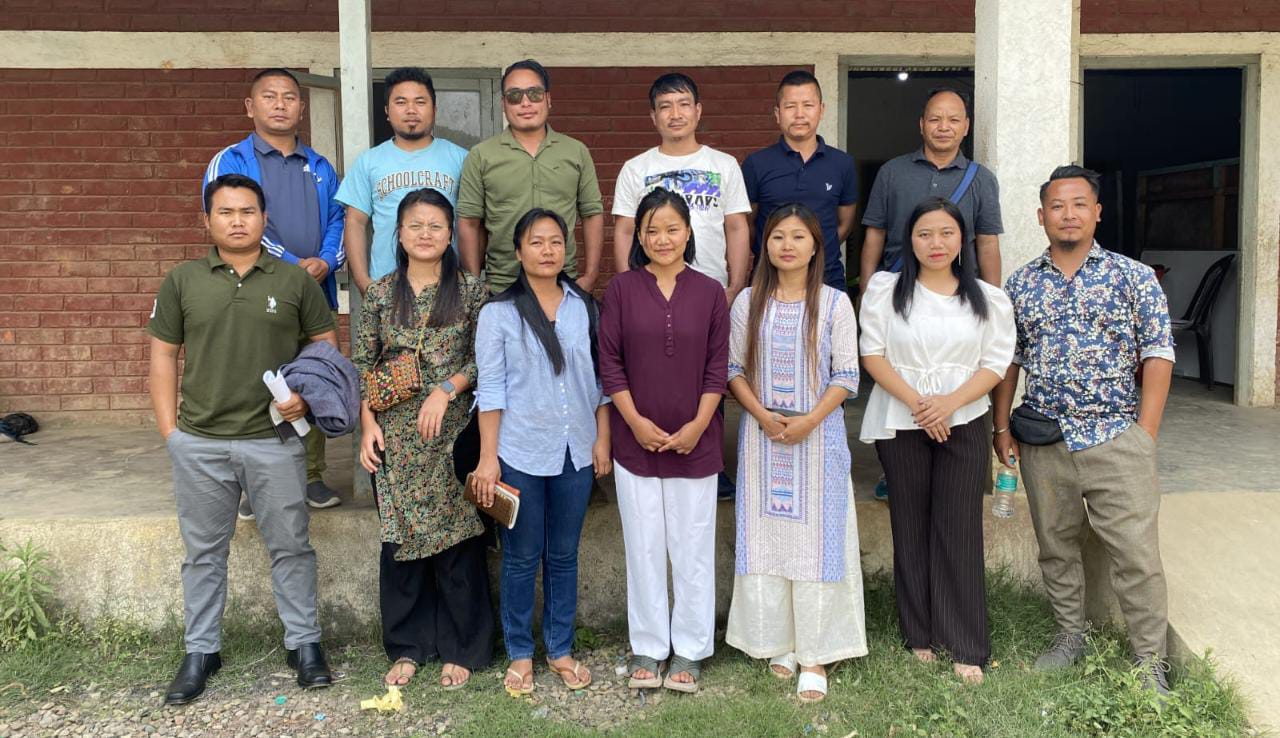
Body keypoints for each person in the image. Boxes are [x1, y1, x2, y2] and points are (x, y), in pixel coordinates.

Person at [149, 174, 336, 705]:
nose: (237, 221)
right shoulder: (182, 280)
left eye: (248, 211)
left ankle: (304, 644)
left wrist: (306, 398)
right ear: (206, 221)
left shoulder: (294, 280)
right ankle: (201, 650)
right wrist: (171, 433)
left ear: (264, 219)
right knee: (203, 553)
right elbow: (163, 356)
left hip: (273, 441)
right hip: (200, 442)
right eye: (226, 212)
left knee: (291, 546)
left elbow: (325, 349)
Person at [993, 165, 1175, 695]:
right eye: (1057, 205)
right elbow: (1009, 362)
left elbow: (1158, 354)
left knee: (1137, 555)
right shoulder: (1021, 283)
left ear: (1097, 212)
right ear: (1041, 216)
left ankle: (1150, 660)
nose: (1067, 214)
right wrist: (1001, 427)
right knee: (1056, 546)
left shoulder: (1132, 277)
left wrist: (1145, 433)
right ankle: (1071, 635)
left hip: (1117, 438)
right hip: (1045, 440)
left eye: (1078, 204)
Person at [858, 197, 1015, 684]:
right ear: (910, 240)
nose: (936, 243)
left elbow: (996, 362)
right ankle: (919, 634)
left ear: (962, 239)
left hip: (964, 419)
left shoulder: (987, 298)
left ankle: (965, 642)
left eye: (946, 233)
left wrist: (948, 404)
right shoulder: (886, 291)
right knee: (910, 524)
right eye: (925, 234)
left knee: (958, 527)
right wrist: (920, 404)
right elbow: (872, 354)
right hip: (902, 420)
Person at [724, 203, 866, 704]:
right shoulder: (747, 302)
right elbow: (733, 370)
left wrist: (808, 420)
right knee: (768, 538)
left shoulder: (834, 303)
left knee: (815, 543)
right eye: (778, 236)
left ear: (815, 246)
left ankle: (816, 654)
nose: (788, 245)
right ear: (765, 245)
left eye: (798, 236)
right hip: (762, 440)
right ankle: (778, 641)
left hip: (818, 440)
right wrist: (763, 416)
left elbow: (846, 375)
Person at [353, 188, 493, 690]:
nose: (425, 234)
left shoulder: (472, 291)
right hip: (393, 439)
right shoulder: (379, 294)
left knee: (459, 541)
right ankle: (408, 646)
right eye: (415, 225)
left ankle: (463, 647)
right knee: (401, 540)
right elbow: (363, 365)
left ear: (450, 233)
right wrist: (367, 425)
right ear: (399, 233)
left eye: (436, 225)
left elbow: (485, 359)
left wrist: (445, 388)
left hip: (454, 433)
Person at [471, 209, 612, 697]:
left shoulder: (584, 307)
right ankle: (519, 652)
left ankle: (560, 648)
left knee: (564, 554)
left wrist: (602, 439)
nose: (547, 250)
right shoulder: (498, 313)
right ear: (517, 252)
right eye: (536, 242)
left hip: (576, 451)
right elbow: (490, 390)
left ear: (566, 249)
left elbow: (600, 381)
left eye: (555, 241)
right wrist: (489, 458)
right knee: (520, 556)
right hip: (520, 452)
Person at [599, 187, 729, 695]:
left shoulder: (710, 291)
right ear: (638, 235)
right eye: (652, 230)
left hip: (696, 442)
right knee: (644, 546)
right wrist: (633, 421)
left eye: (672, 228)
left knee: (693, 547)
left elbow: (718, 367)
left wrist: (698, 425)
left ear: (689, 232)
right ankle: (649, 646)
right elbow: (609, 362)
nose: (663, 239)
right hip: (636, 443)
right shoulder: (622, 289)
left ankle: (691, 648)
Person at [203, 67, 346, 511]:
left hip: (314, 293)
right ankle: (253, 482)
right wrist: (291, 265)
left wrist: (326, 261)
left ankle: (311, 475)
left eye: (289, 97)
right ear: (251, 106)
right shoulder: (232, 160)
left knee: (314, 378)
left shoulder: (320, 166)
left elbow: (339, 220)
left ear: (302, 108)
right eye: (270, 96)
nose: (280, 104)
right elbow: (230, 221)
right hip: (252, 291)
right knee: (255, 380)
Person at [858, 86, 1004, 503]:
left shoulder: (981, 179)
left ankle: (953, 470)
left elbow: (987, 243)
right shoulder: (893, 172)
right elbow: (874, 235)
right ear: (921, 124)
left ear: (966, 127)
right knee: (897, 374)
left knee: (950, 373)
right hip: (898, 293)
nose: (944, 127)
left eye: (953, 119)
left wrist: (991, 301)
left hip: (955, 295)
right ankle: (896, 469)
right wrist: (867, 291)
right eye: (935, 119)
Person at [610, 72, 750, 502]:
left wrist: (735, 285)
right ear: (653, 116)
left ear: (698, 111)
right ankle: (651, 444)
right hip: (650, 288)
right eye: (665, 106)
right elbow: (625, 230)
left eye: (683, 104)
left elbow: (736, 227)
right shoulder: (637, 169)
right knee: (652, 372)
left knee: (709, 372)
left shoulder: (723, 165)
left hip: (710, 291)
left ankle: (708, 459)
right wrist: (630, 286)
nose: (675, 114)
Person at [457, 59, 605, 293]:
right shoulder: (481, 155)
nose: (525, 103)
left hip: (562, 283)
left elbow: (592, 213)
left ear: (548, 99)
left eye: (534, 94)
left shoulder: (576, 151)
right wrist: (475, 286)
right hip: (502, 286)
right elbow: (469, 222)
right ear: (503, 103)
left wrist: (591, 276)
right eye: (515, 96)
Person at [337, 67, 468, 295]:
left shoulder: (461, 159)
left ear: (434, 109)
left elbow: (471, 223)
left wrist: (468, 280)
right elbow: (355, 222)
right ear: (387, 111)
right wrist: (364, 282)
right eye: (401, 102)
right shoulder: (369, 161)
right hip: (387, 288)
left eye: (420, 102)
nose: (411, 110)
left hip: (449, 288)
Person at [742, 70, 858, 292]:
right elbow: (748, 225)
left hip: (827, 277)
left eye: (808, 105)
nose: (799, 114)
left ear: (821, 110)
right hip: (769, 280)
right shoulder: (756, 164)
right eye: (790, 106)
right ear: (777, 113)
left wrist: (814, 251)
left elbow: (844, 224)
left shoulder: (842, 164)